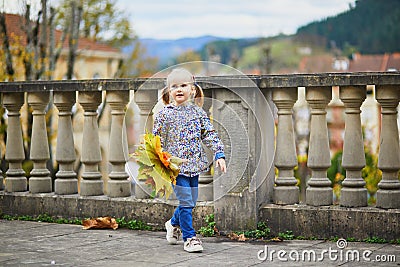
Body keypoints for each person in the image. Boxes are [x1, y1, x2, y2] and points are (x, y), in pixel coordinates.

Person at [153, 68, 227, 253]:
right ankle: (190, 238)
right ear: (169, 91)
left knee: (191, 202)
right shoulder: (164, 115)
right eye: (174, 86)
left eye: (183, 85)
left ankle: (172, 223)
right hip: (175, 167)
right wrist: (158, 160)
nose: (179, 89)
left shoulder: (198, 113)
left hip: (194, 165)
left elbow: (209, 134)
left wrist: (219, 154)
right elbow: (156, 140)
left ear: (192, 90)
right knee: (186, 202)